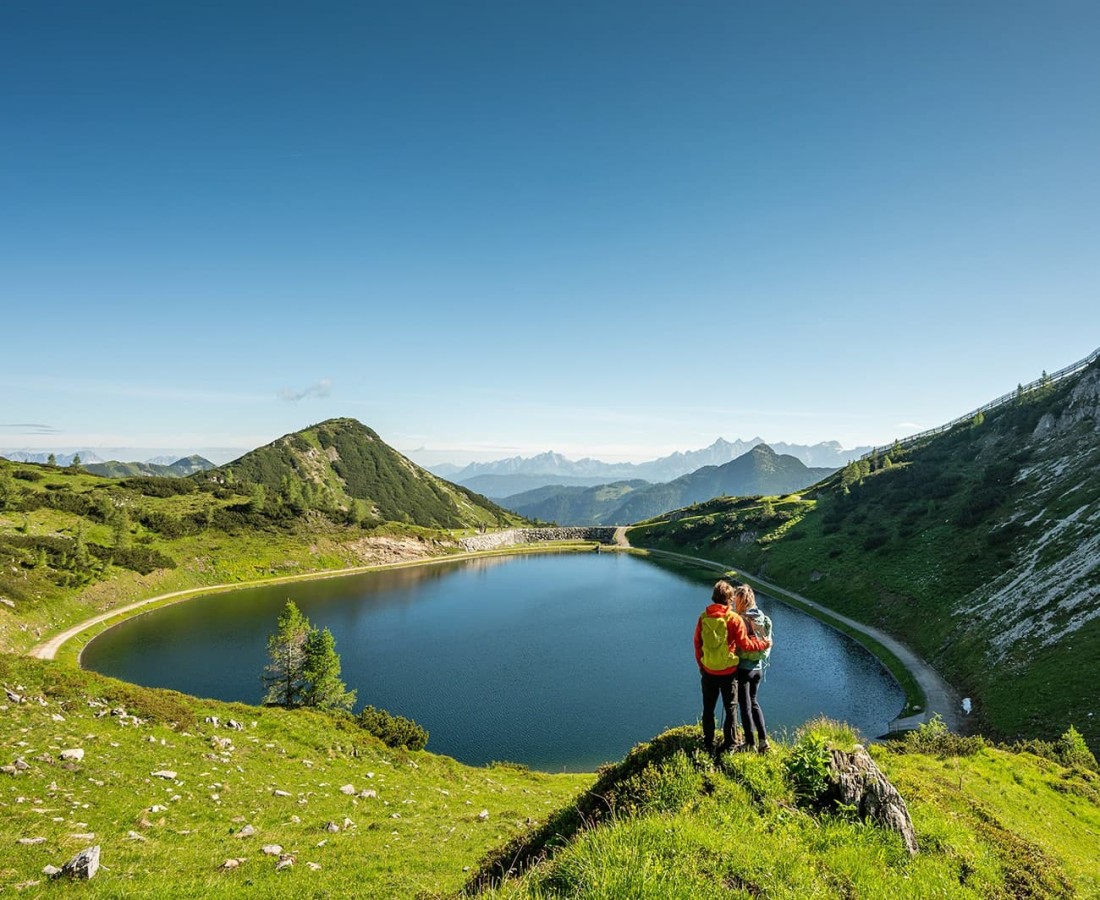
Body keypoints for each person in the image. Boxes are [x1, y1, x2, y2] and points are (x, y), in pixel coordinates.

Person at [694, 580, 771, 756]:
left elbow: (697, 644)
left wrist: (702, 666)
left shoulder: (703, 617)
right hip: (729, 672)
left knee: (708, 709)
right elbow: (745, 644)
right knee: (730, 709)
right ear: (729, 599)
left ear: (714, 596)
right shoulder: (733, 618)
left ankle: (708, 743)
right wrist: (764, 644)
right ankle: (730, 744)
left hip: (708, 672)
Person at [733, 584, 771, 752]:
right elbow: (767, 643)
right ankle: (763, 741)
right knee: (754, 702)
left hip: (743, 669)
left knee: (744, 705)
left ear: (740, 601)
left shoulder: (739, 619)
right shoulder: (762, 617)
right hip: (759, 668)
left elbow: (737, 644)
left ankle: (750, 743)